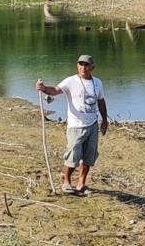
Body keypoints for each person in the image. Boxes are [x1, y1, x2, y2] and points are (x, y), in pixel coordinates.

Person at [36, 55, 109, 195]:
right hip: (76, 126)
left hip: (92, 124)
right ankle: (66, 182)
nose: (83, 67)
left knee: (89, 155)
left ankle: (81, 184)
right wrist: (43, 88)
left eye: (87, 65)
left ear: (92, 67)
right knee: (73, 155)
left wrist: (104, 121)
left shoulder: (97, 83)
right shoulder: (71, 81)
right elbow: (55, 91)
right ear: (77, 66)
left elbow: (101, 101)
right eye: (81, 64)